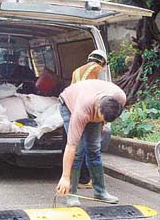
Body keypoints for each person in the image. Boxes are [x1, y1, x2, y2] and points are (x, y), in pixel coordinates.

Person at [56, 79, 125, 207]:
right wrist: (65, 177)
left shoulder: (120, 98)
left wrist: (103, 123)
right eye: (100, 118)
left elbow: (105, 116)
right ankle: (72, 193)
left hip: (91, 100)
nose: (100, 121)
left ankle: (100, 192)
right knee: (78, 150)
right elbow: (71, 146)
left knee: (94, 149)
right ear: (98, 108)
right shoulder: (81, 112)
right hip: (68, 104)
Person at [70, 50, 107, 189]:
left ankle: (77, 180)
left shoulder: (76, 71)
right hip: (92, 112)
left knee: (77, 148)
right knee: (92, 148)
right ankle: (85, 180)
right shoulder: (99, 69)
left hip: (77, 111)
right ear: (102, 61)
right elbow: (104, 93)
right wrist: (103, 119)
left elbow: (71, 92)